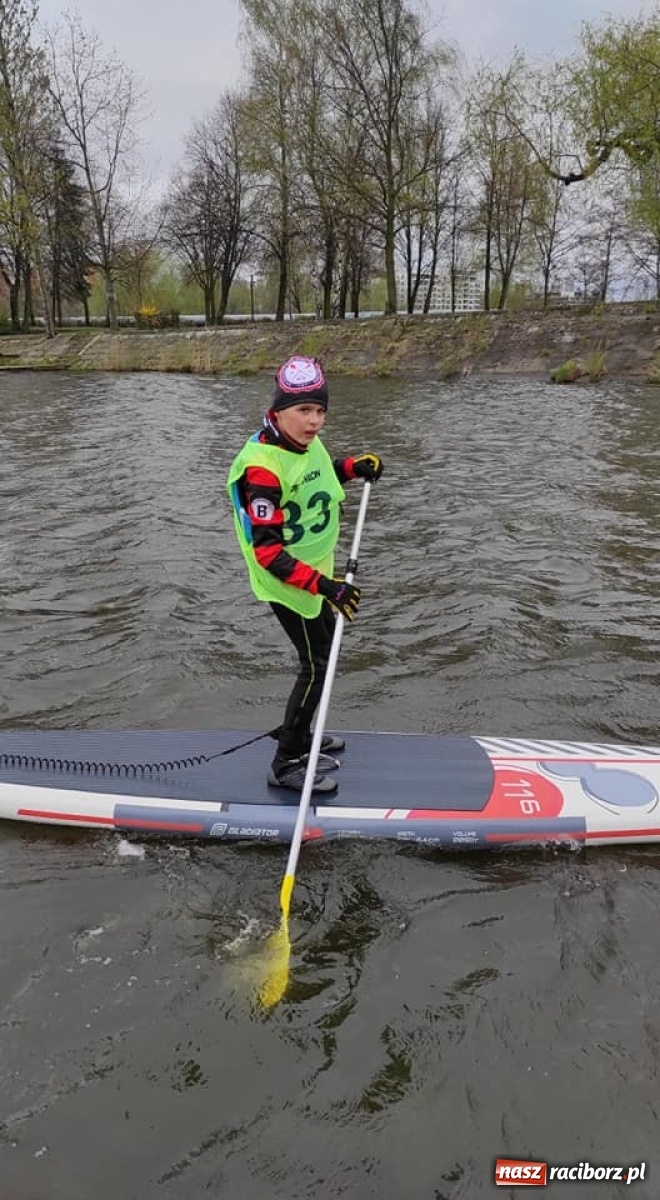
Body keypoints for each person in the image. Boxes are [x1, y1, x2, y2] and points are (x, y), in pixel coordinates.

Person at [227, 355, 383, 794]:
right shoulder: (262, 469)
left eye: (320, 410)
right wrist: (327, 587)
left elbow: (314, 480)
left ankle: (301, 736)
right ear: (278, 412)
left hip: (314, 574)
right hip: (288, 581)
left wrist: (351, 468)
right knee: (316, 665)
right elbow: (267, 553)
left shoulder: (302, 442)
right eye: (304, 411)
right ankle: (286, 762)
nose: (315, 421)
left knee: (324, 654)